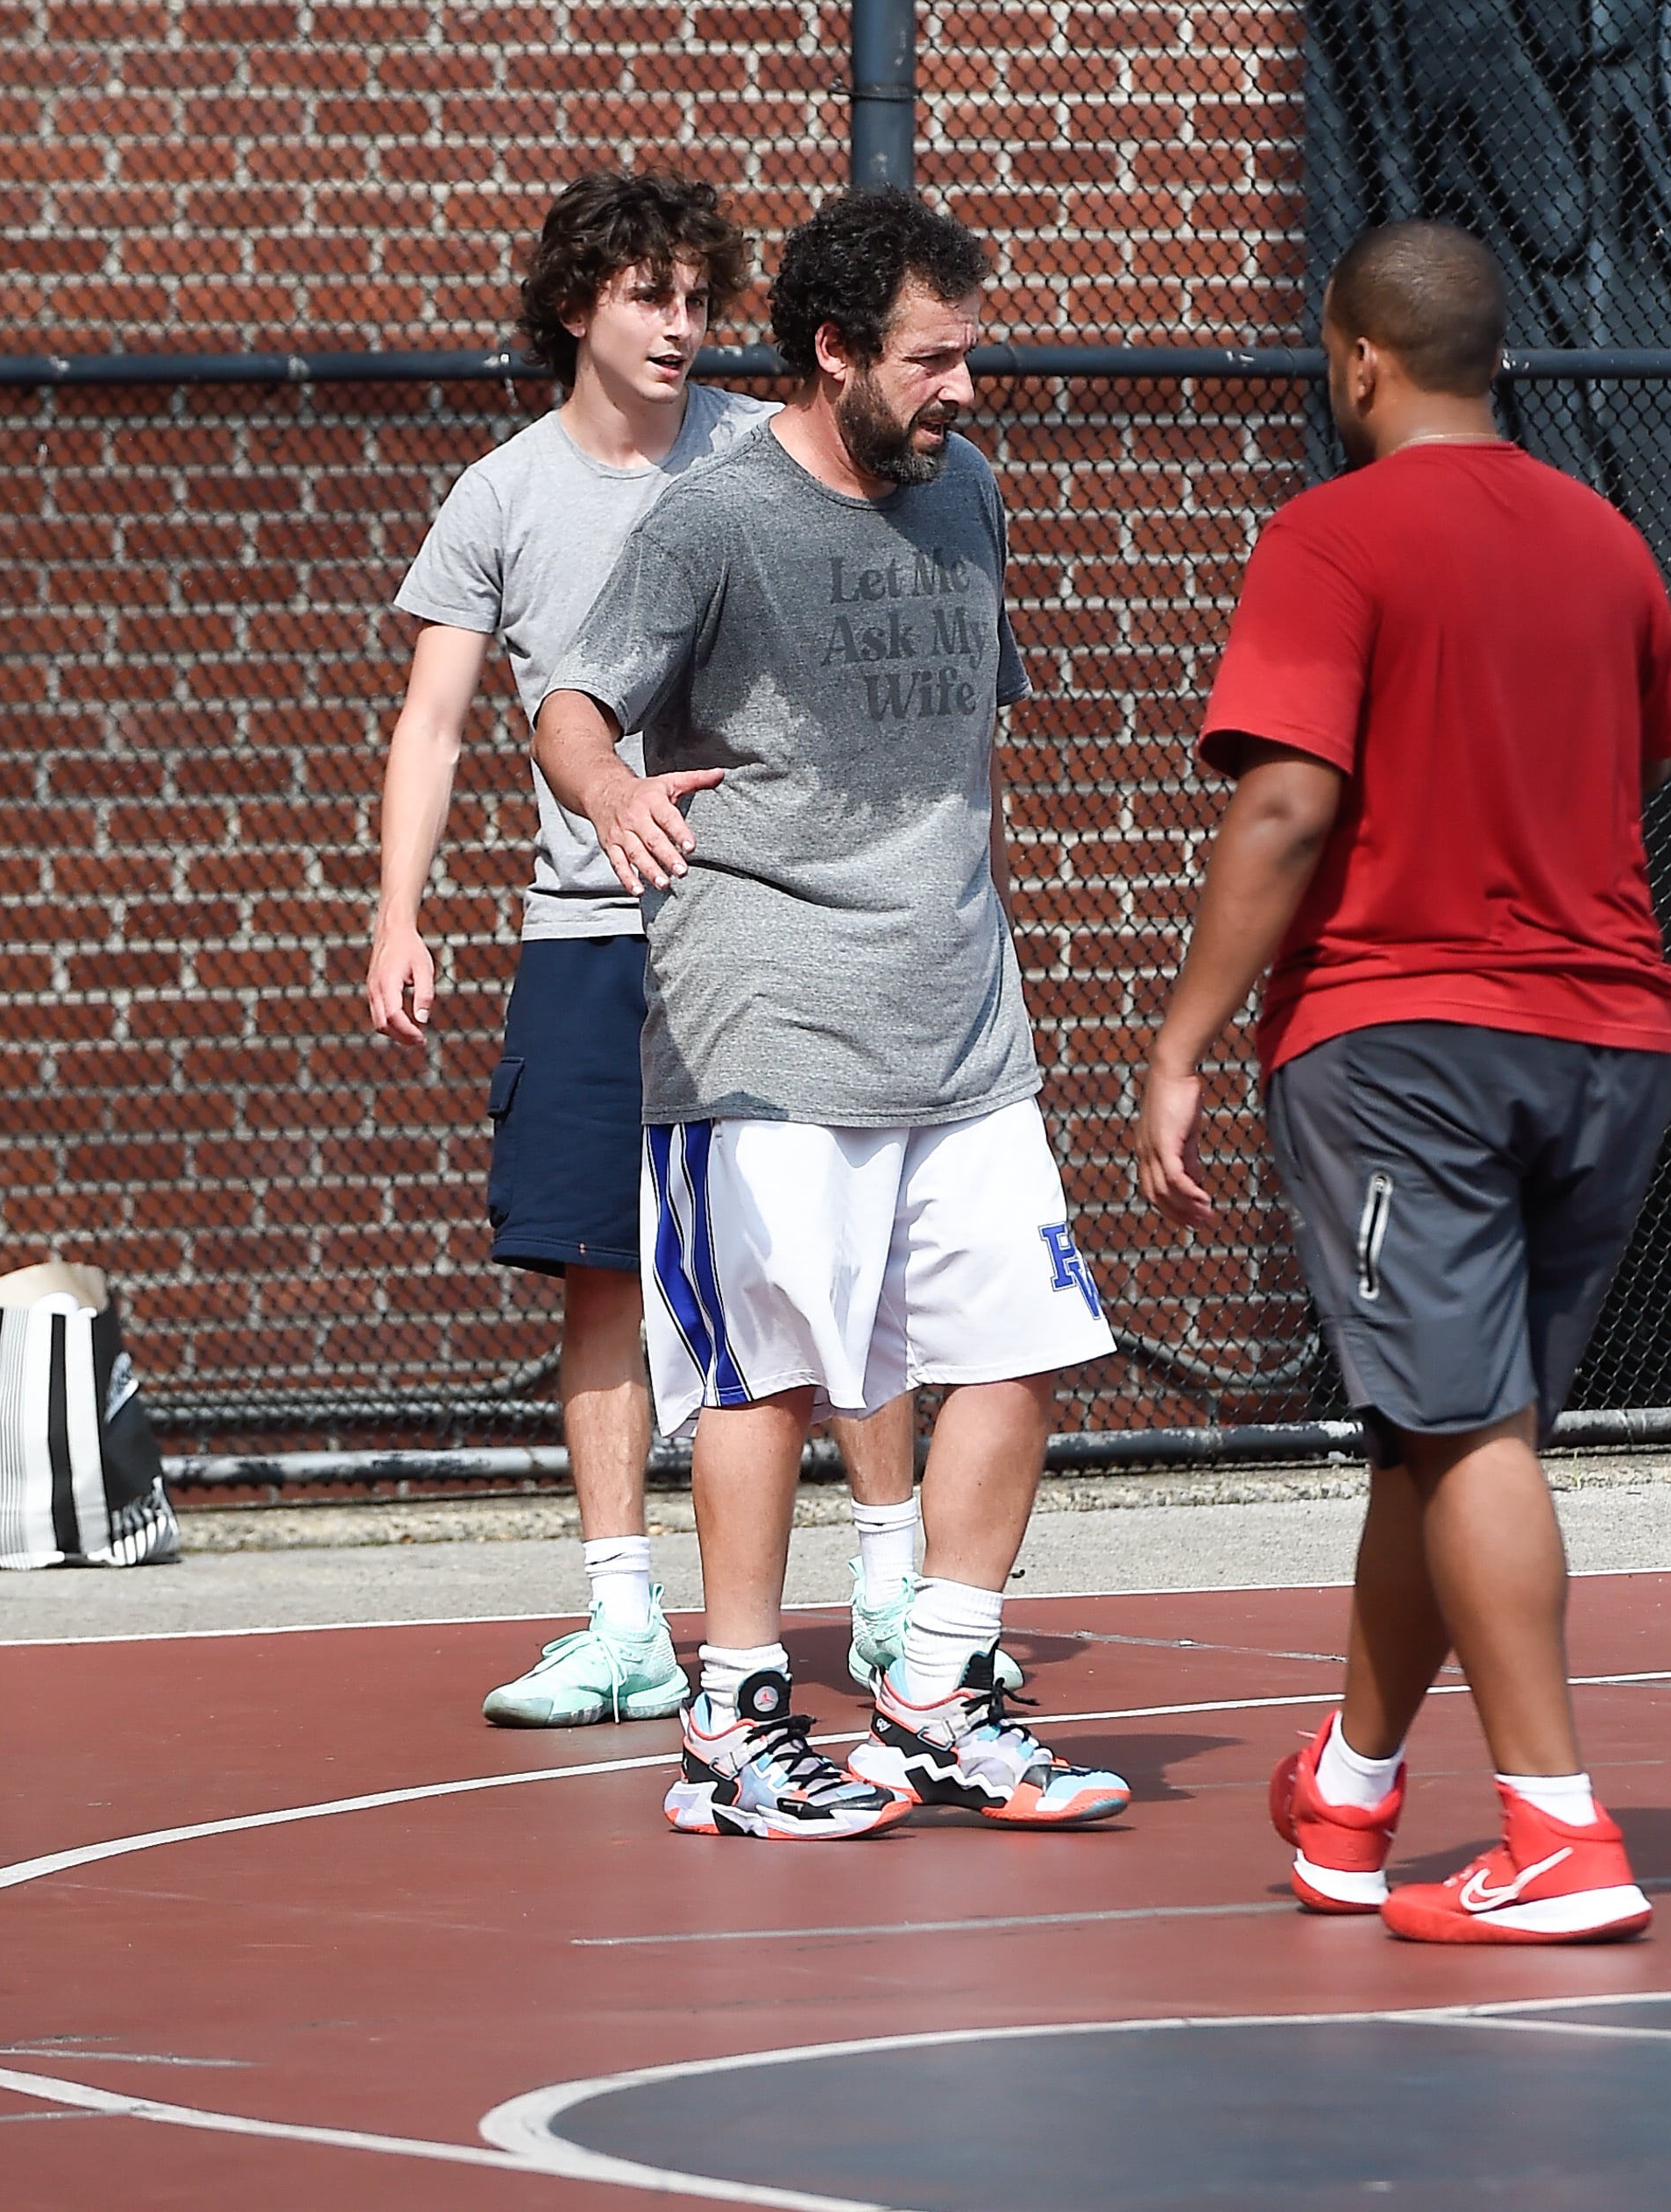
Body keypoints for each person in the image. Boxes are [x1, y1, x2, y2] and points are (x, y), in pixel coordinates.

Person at [536, 185, 1129, 1841]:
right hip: (767, 1014)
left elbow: (951, 733)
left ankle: (938, 1690)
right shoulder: (711, 524)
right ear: (833, 351)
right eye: (931, 361)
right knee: (770, 1376)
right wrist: (609, 791)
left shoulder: (967, 498)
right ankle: (731, 1721)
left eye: (967, 357)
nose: (961, 391)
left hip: (959, 1020)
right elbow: (572, 700)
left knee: (1020, 1353)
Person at [1136, 219, 1671, 1944]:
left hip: (1401, 1038)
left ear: (1351, 356)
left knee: (1465, 1435)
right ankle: (1353, 1792)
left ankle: (1556, 1831)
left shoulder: (1328, 532)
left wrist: (1181, 1037)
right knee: (1442, 1433)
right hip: (1606, 1042)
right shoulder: (1609, 546)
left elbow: (1285, 804)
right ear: (1492, 354)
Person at [367, 169, 921, 1730]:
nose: (680, 326)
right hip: (587, 942)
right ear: (573, 310)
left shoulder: (766, 453)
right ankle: (622, 1622)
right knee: (601, 1277)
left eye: (696, 299)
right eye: (645, 298)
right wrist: (398, 913)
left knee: (834, 1265)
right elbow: (432, 721)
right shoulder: (502, 493)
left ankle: (889, 1595)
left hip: (766, 934)